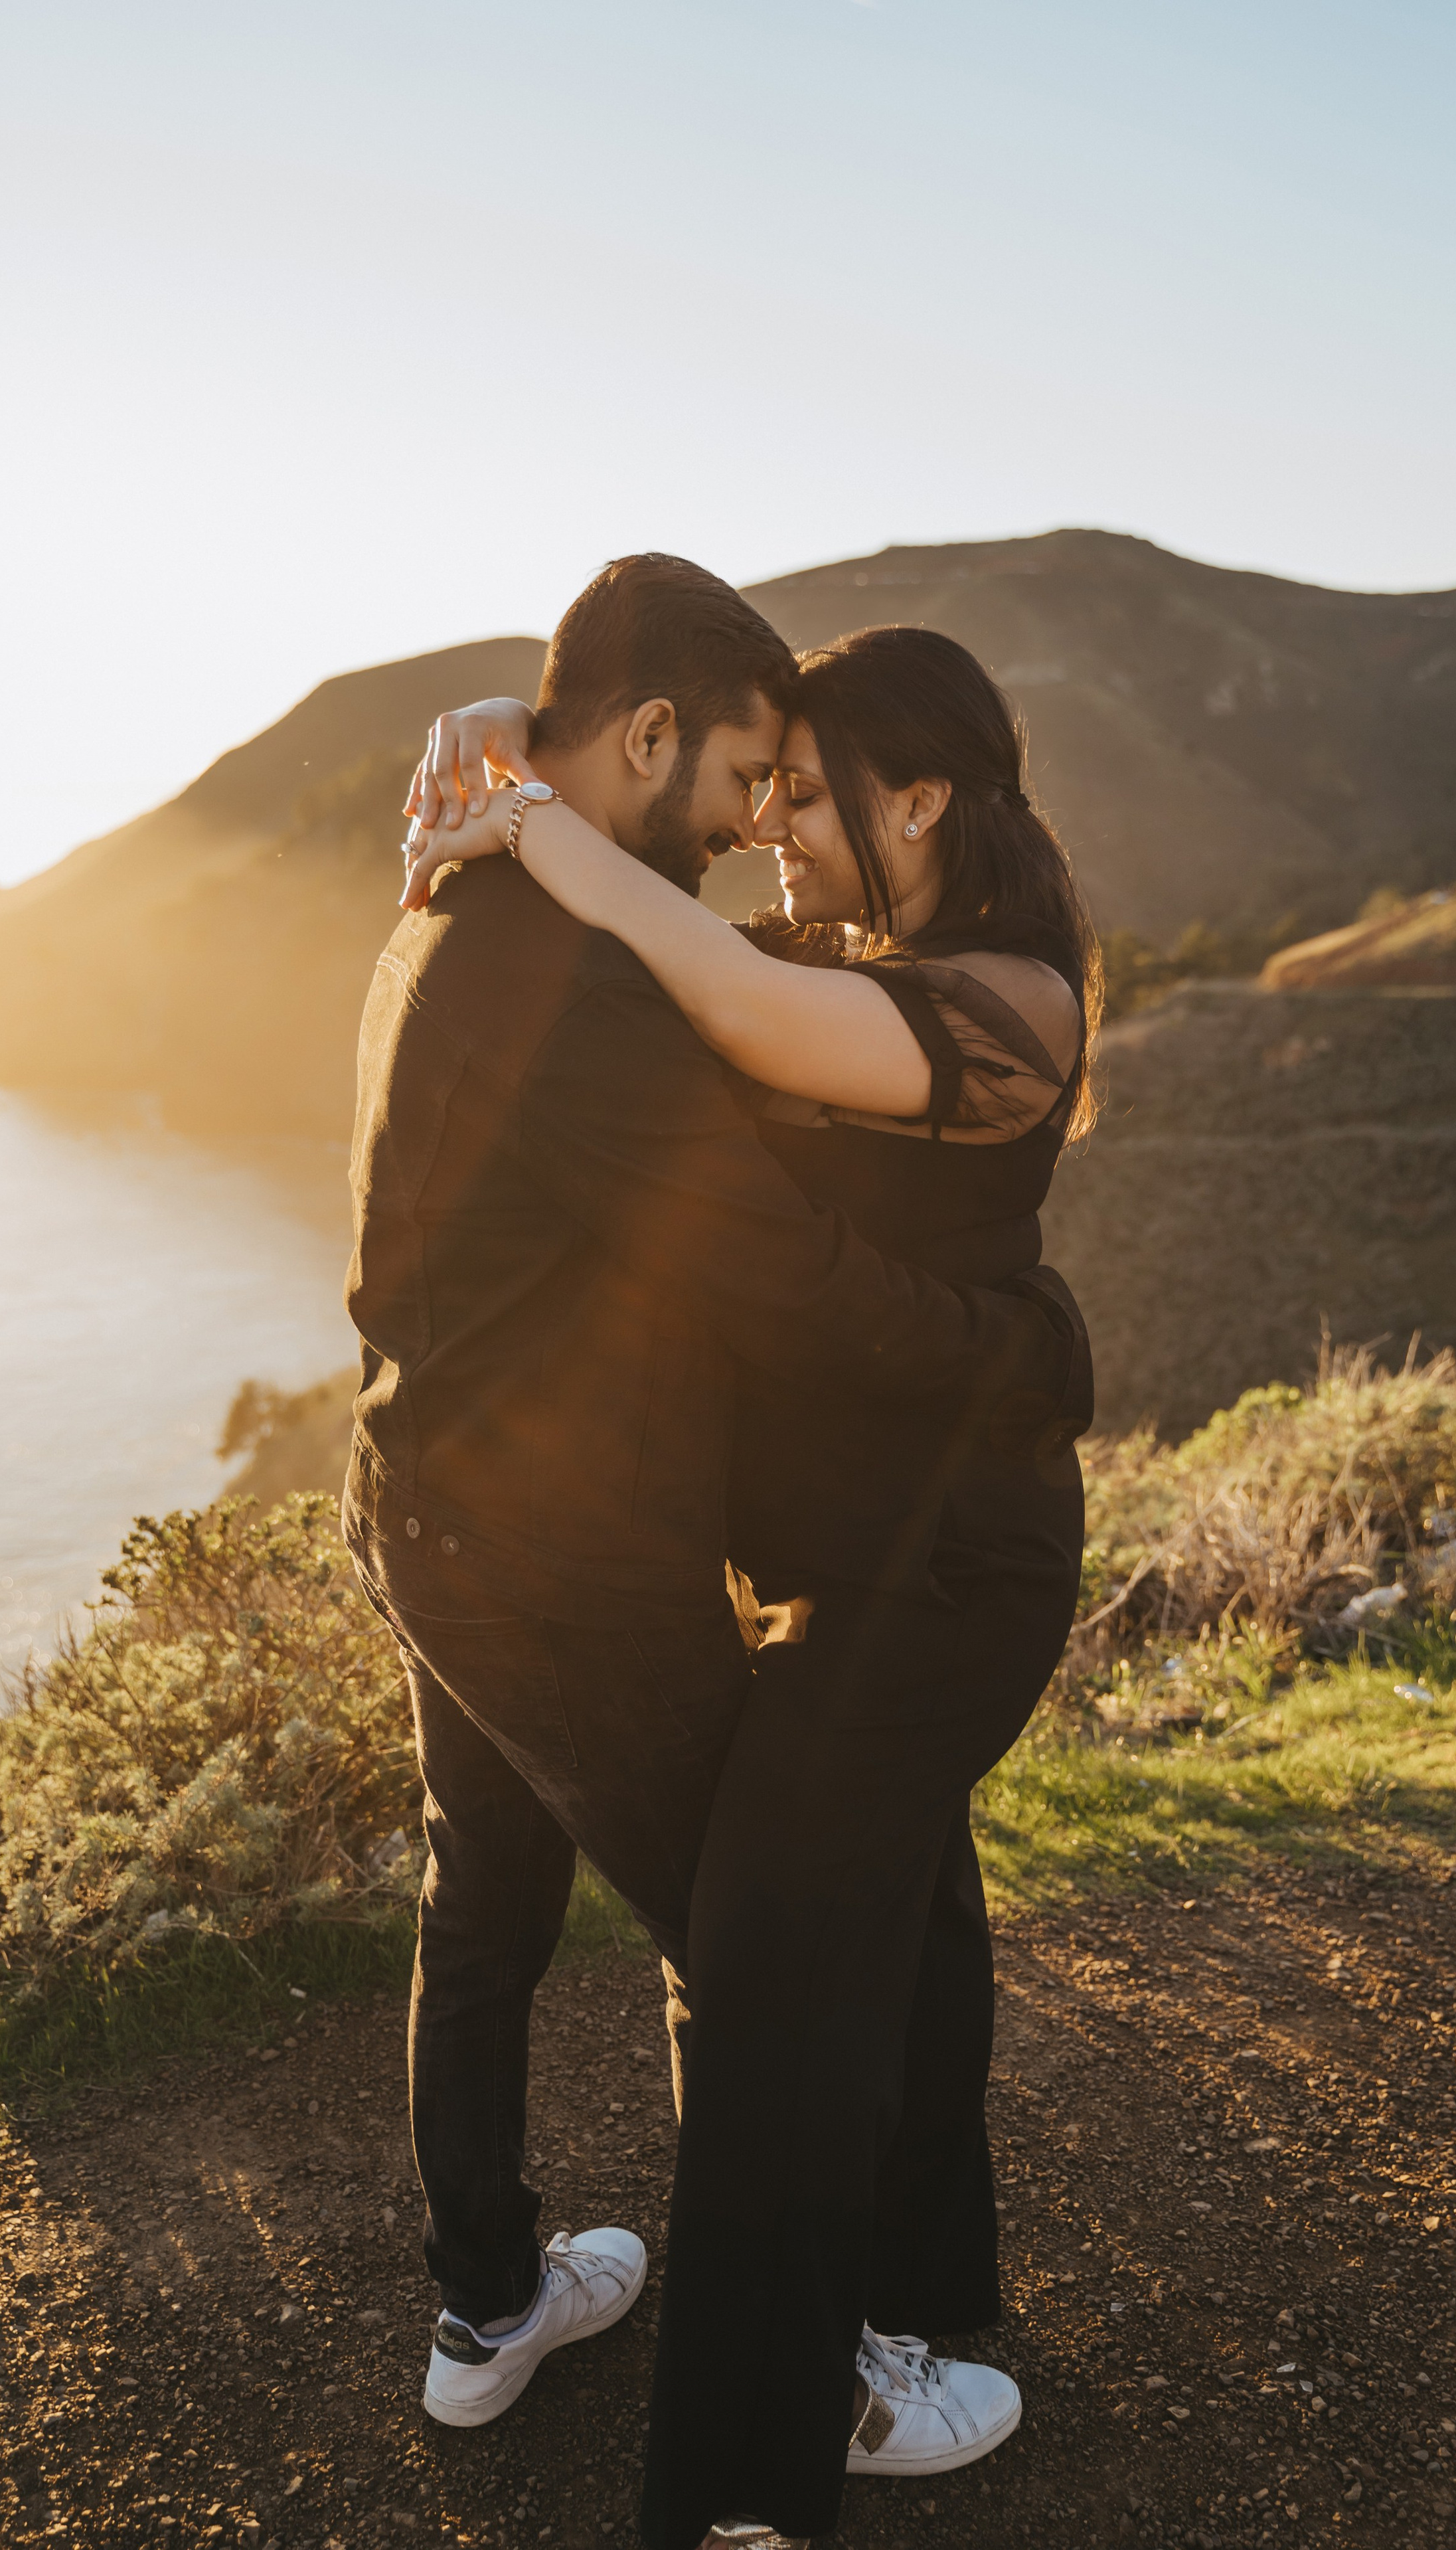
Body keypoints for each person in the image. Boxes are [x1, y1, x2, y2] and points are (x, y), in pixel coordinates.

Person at [344, 556, 1088, 2539]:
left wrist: (494, 770)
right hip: (564, 1558)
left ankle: (493, 2298)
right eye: (754, 777)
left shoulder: (456, 905)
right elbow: (762, 1269)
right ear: (654, 737)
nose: (764, 824)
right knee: (783, 1975)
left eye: (807, 792)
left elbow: (748, 1036)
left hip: (427, 1501)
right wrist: (1021, 1355)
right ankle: (815, 2391)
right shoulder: (584, 953)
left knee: (510, 1906)